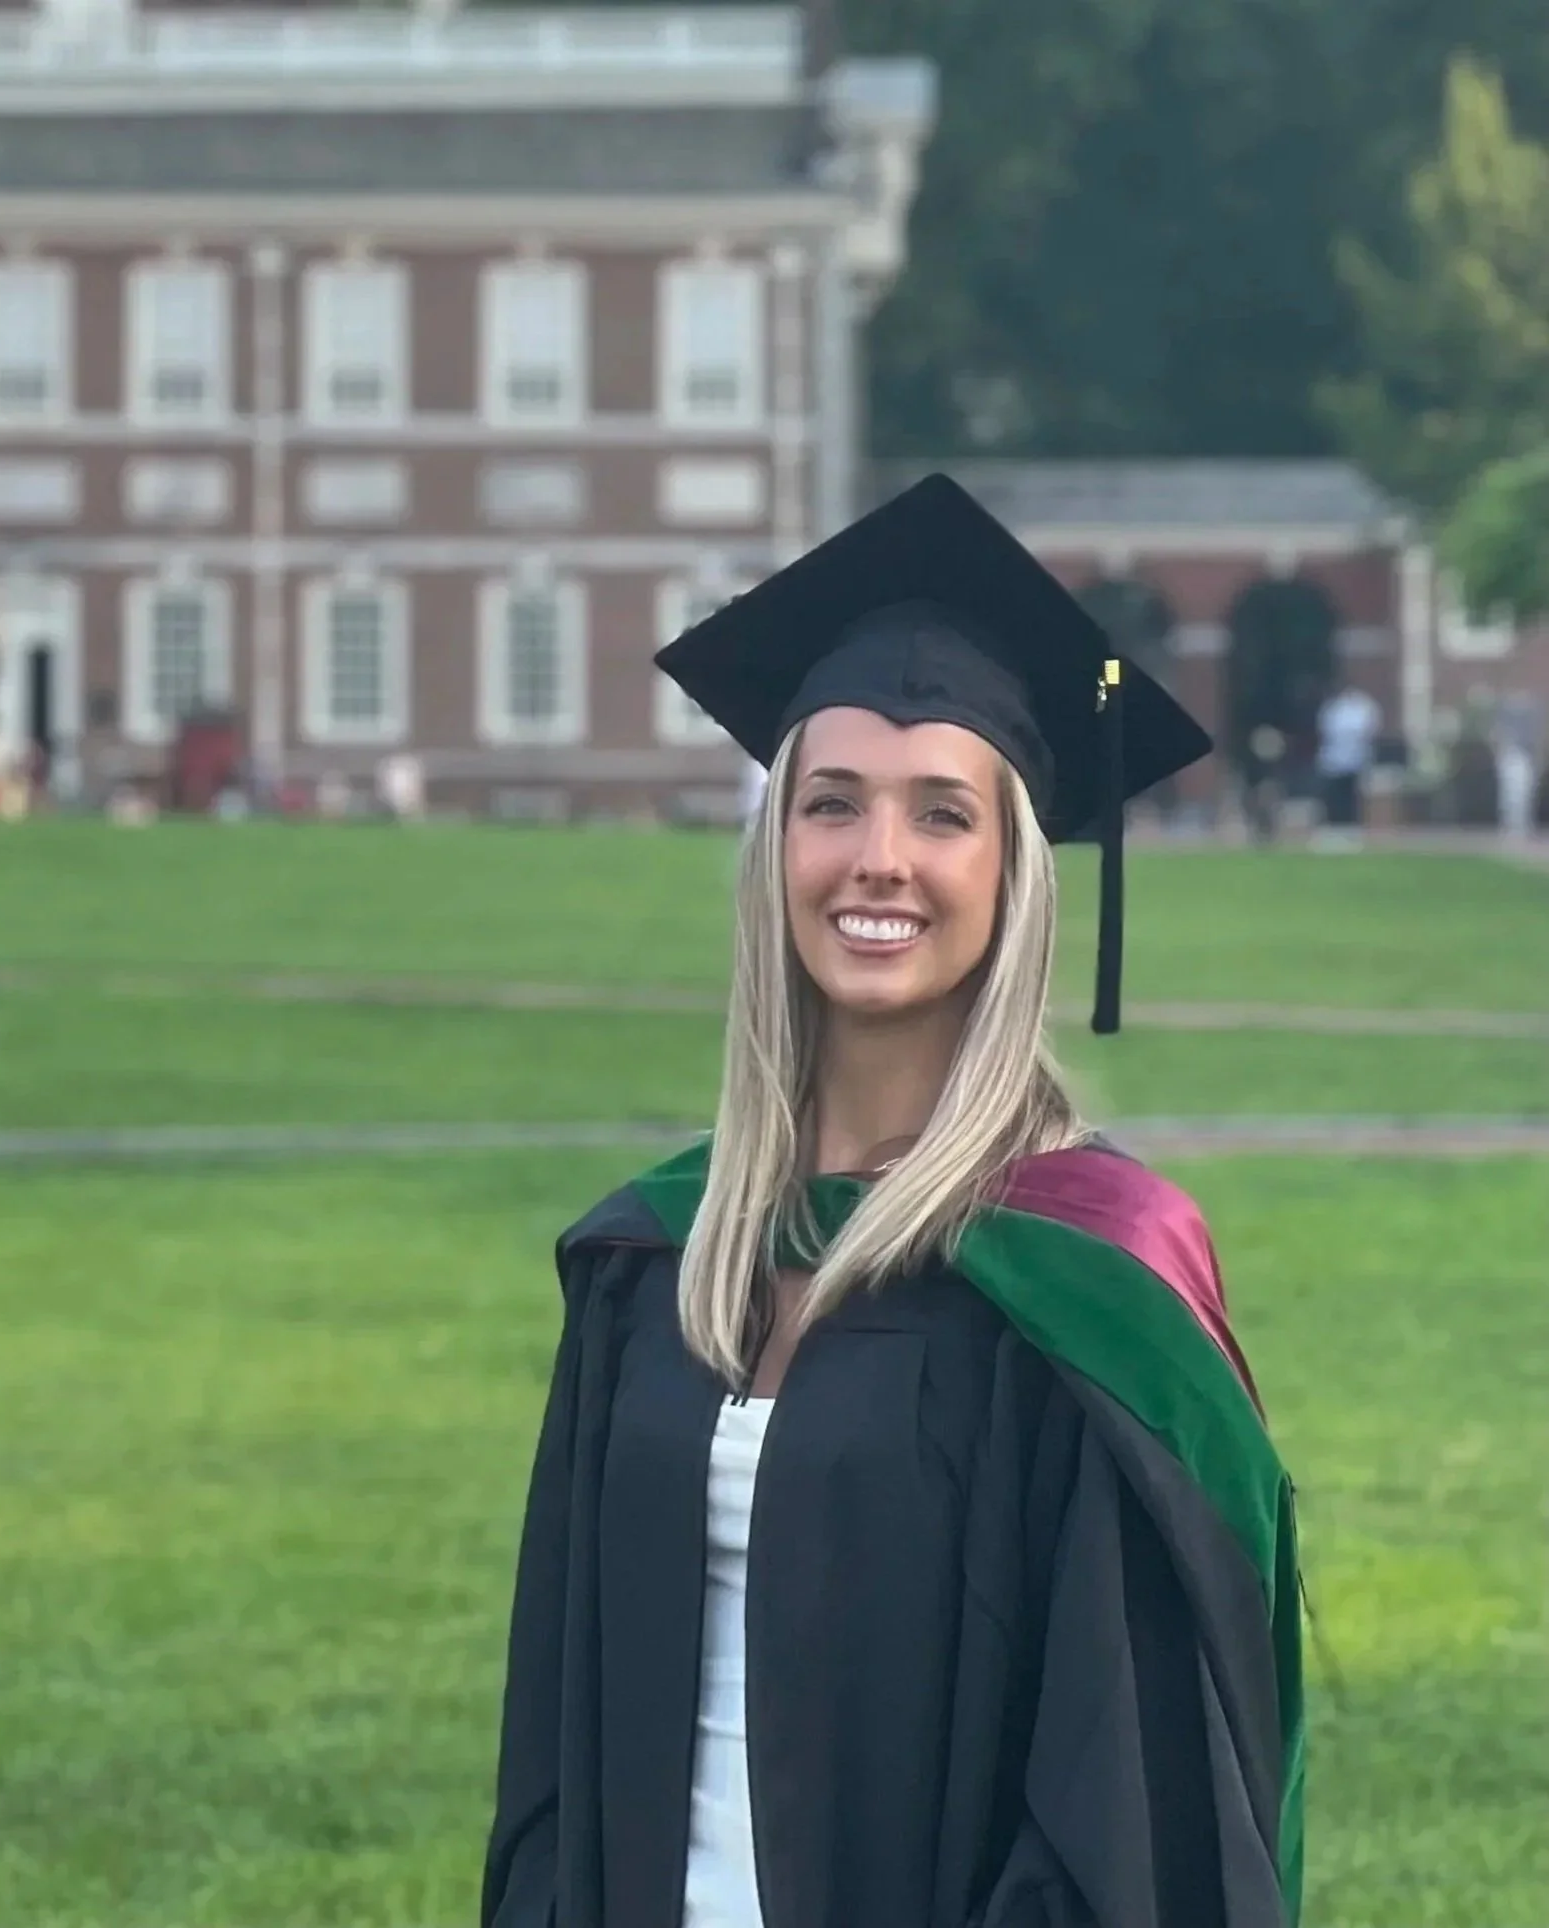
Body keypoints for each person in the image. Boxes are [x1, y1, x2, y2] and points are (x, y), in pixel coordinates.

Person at [480, 476, 1303, 1928]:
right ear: (775, 847)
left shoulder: (1082, 1285)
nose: (881, 859)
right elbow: (557, 1750)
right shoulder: (653, 1263)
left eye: (943, 814)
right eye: (833, 803)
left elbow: (1120, 1813)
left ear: (1013, 872)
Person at [1313, 677, 1381, 850]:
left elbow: (1368, 730)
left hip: (1355, 759)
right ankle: (1333, 829)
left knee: (1351, 796)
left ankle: (1351, 830)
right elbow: (1325, 730)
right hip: (1333, 759)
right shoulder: (1334, 707)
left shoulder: (1363, 706)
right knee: (1333, 796)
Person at [1491, 686, 1543, 842]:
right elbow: (1496, 736)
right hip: (1510, 757)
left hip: (1524, 758)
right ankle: (1510, 826)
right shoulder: (1504, 717)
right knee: (1510, 796)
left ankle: (1521, 826)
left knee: (1523, 795)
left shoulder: (1530, 720)